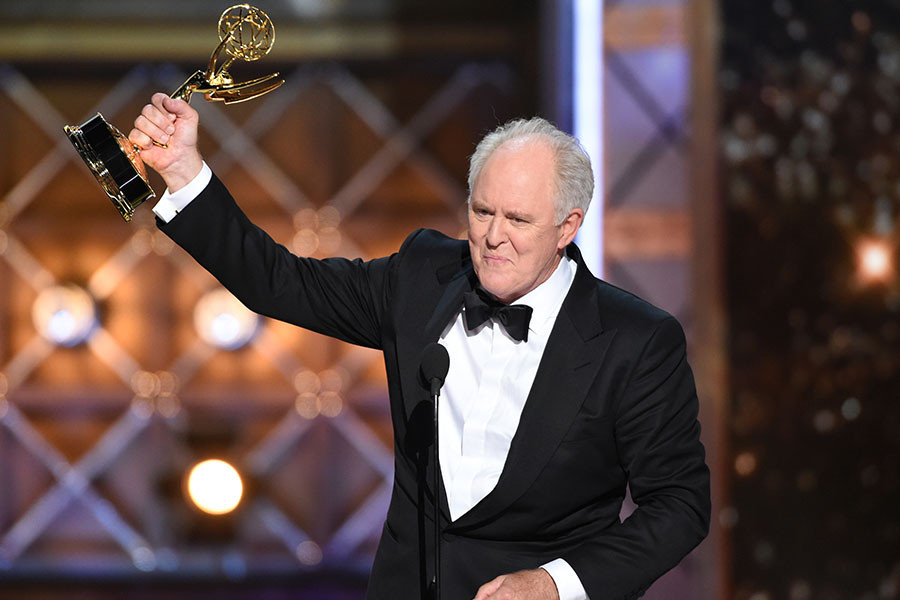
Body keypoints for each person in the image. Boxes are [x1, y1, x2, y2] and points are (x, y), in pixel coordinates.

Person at [130, 93, 710, 600]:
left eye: (518, 219)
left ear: (567, 227)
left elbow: (679, 507)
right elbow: (279, 282)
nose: (492, 236)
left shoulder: (634, 340)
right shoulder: (422, 278)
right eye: (482, 211)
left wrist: (556, 583)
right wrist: (185, 173)